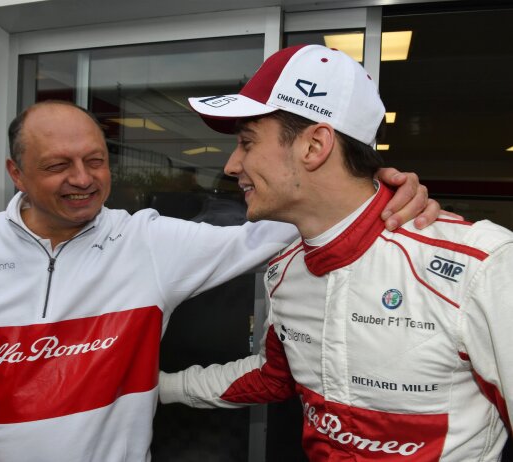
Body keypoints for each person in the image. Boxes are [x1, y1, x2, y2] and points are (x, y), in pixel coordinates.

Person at [0, 100, 436, 462]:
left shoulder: (147, 244)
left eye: (96, 161)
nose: (83, 180)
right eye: (59, 165)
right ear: (17, 173)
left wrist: (378, 193)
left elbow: (280, 224)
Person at [159, 44, 513, 460]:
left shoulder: (481, 264)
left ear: (314, 146)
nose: (232, 165)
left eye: (247, 142)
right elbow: (275, 376)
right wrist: (155, 387)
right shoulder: (285, 269)